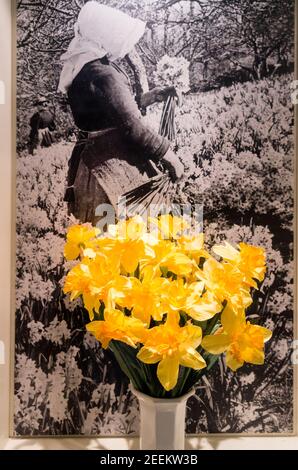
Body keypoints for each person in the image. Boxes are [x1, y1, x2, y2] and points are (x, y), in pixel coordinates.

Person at [58, 1, 184, 225]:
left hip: (90, 168)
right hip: (113, 165)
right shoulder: (102, 73)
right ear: (102, 34)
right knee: (129, 240)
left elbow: (105, 113)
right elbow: (131, 126)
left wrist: (147, 98)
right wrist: (170, 157)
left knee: (99, 245)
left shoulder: (83, 68)